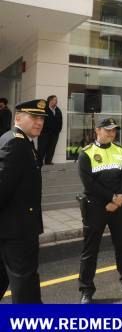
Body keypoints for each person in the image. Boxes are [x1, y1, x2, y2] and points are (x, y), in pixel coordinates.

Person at [77, 118, 122, 304]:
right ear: (98, 130)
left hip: (118, 206)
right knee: (90, 249)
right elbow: (89, 183)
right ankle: (86, 289)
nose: (111, 134)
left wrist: (118, 198)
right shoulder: (86, 153)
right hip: (95, 206)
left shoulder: (120, 151)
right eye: (108, 130)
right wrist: (111, 198)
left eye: (114, 131)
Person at [0, 99, 46, 303]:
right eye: (34, 117)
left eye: (42, 118)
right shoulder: (15, 143)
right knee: (25, 283)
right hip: (17, 229)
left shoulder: (20, 141)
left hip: (12, 226)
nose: (39, 122)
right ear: (18, 117)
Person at [37, 95, 63, 166]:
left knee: (51, 148)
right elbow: (40, 120)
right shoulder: (44, 110)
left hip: (54, 134)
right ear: (50, 101)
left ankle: (48, 161)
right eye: (55, 100)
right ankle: (39, 162)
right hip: (44, 133)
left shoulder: (58, 110)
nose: (56, 101)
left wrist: (58, 131)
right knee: (42, 148)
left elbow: (60, 122)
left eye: (56, 100)